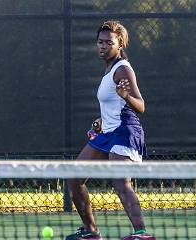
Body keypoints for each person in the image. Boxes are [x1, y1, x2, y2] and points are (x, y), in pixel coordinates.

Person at [66, 20, 155, 240]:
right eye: (100, 42)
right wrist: (101, 121)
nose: (103, 46)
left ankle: (142, 234)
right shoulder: (109, 71)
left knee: (120, 181)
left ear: (120, 45)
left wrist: (126, 96)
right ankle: (91, 231)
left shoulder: (122, 69)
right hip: (108, 132)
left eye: (109, 42)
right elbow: (113, 106)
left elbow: (140, 105)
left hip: (125, 131)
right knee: (75, 179)